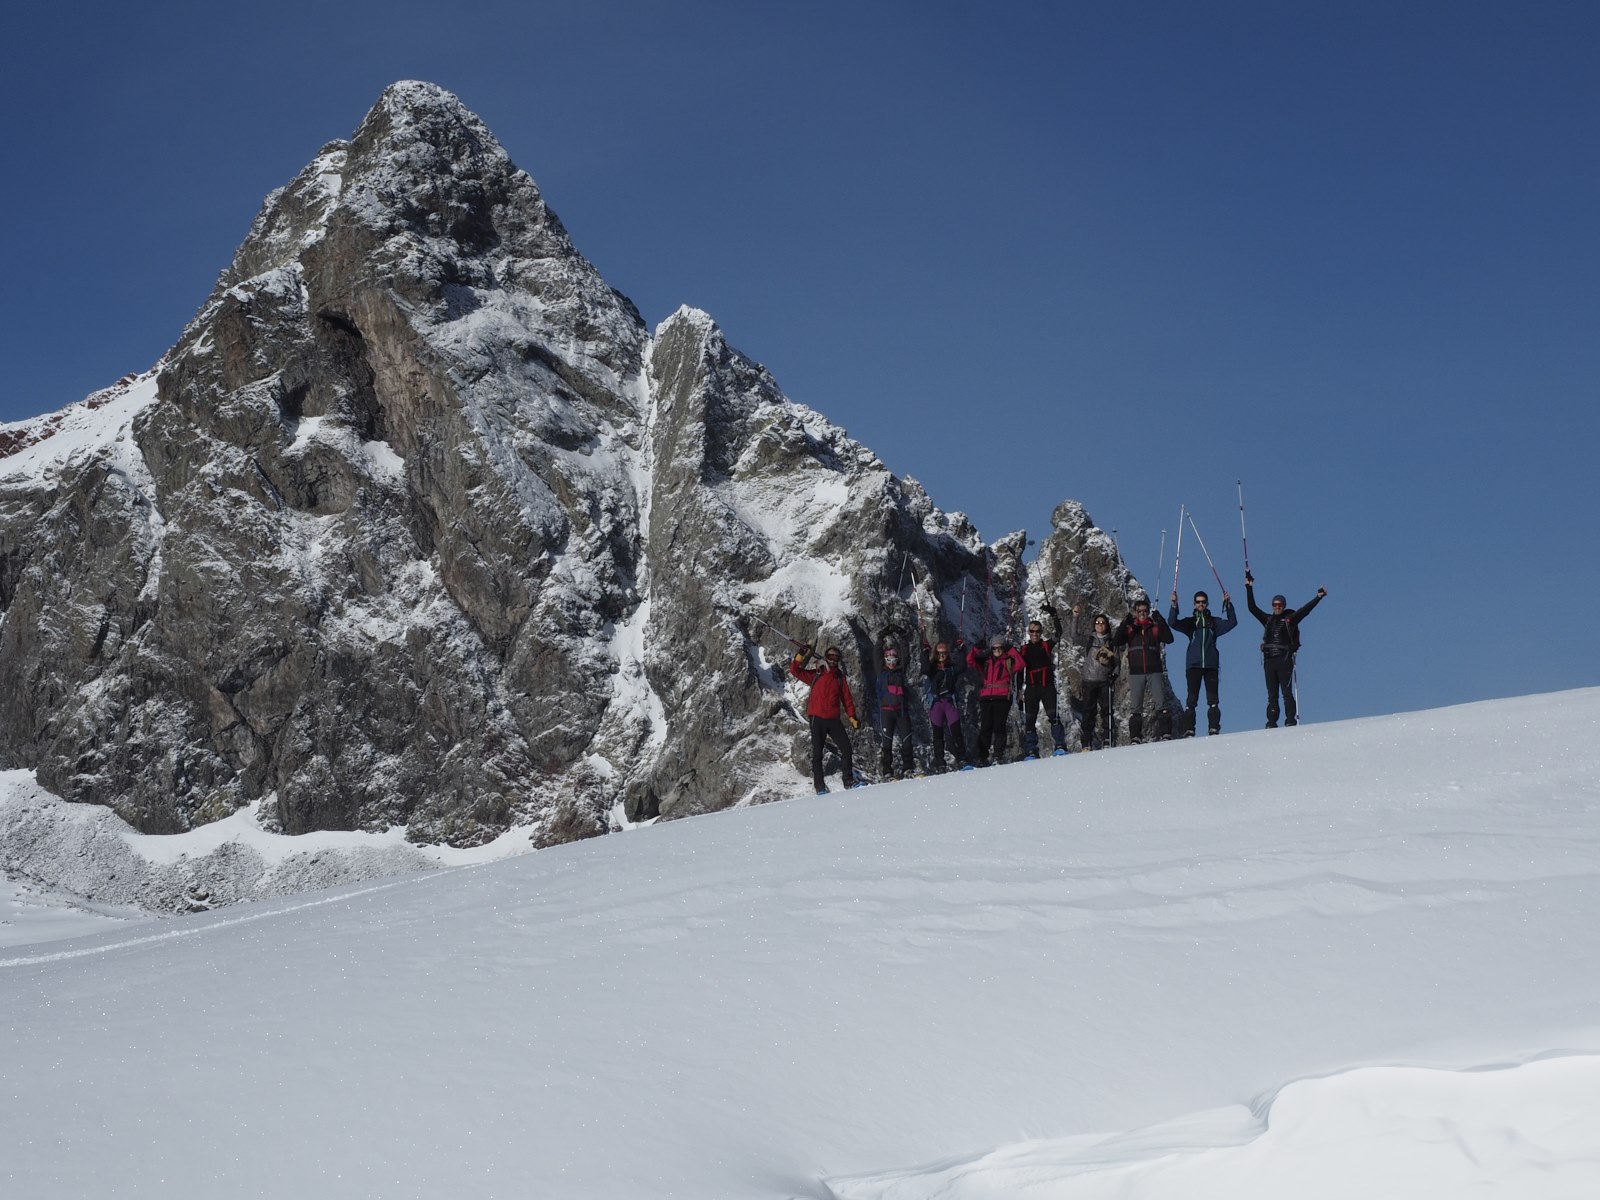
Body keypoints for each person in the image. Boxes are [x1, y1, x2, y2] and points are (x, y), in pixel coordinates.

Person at [1245, 574, 1327, 728]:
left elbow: (1305, 610)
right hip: (1269, 660)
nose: (1277, 607)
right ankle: (1271, 722)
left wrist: (1318, 597)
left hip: (1284, 659)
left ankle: (1290, 720)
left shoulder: (1290, 619)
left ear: (1283, 605)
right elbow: (1252, 608)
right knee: (1272, 695)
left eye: (1280, 605)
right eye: (1275, 605)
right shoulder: (1267, 619)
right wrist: (1249, 587)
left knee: (1286, 693)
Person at [790, 644, 860, 792]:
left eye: (836, 657)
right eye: (831, 656)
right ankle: (820, 786)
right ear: (826, 658)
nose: (833, 659)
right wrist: (800, 655)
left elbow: (846, 698)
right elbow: (794, 671)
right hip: (817, 719)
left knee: (846, 749)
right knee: (817, 754)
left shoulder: (839, 677)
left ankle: (848, 781)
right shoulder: (817, 674)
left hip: (833, 720)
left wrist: (852, 716)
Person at [1167, 589, 1238, 736]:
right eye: (1198, 602)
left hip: (1211, 665)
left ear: (1207, 604)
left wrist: (1228, 605)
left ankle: (1214, 727)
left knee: (1213, 700)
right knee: (1191, 699)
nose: (1201, 604)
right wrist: (1174, 606)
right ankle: (1189, 729)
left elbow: (1232, 622)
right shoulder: (1191, 623)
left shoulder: (1214, 622)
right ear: (1194, 604)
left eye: (1203, 602)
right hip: (1194, 665)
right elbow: (1172, 622)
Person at [1113, 596, 1174, 743]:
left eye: (1145, 611)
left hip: (1154, 670)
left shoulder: (1154, 628)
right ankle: (1135, 736)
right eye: (1139, 611)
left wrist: (1161, 621)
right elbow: (1116, 641)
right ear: (1135, 612)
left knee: (1161, 703)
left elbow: (1169, 639)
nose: (1142, 613)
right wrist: (1124, 624)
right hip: (1136, 671)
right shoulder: (1130, 630)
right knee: (1136, 707)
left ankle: (1166, 733)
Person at [1017, 604, 1069, 757]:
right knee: (1030, 720)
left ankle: (1060, 745)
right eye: (1032, 631)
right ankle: (1031, 749)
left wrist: (1054, 615)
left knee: (1054, 716)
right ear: (1028, 632)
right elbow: (1020, 671)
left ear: (1041, 632)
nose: (1034, 634)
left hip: (1047, 686)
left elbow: (1059, 633)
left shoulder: (1046, 645)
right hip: (1032, 687)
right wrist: (1020, 690)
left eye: (1037, 631)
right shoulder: (1024, 650)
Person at [966, 635, 1026, 766]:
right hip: (987, 697)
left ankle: (998, 756)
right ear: (991, 649)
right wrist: (976, 648)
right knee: (986, 728)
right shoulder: (986, 662)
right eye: (994, 648)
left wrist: (1011, 650)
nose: (997, 651)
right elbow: (970, 660)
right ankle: (983, 757)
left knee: (999, 726)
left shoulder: (1008, 661)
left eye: (1000, 648)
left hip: (1003, 697)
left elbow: (1021, 664)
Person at [920, 638, 971, 772]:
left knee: (956, 732)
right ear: (935, 654)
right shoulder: (932, 669)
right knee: (938, 735)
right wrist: (924, 652)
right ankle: (940, 763)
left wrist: (962, 649)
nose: (941, 656)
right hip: (936, 703)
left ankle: (962, 759)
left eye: (944, 653)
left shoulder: (951, 669)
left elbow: (962, 666)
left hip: (949, 702)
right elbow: (924, 668)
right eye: (939, 653)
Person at [1070, 605, 1117, 749]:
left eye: (1102, 623)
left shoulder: (1112, 642)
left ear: (1107, 625)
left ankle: (1108, 739)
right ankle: (1086, 741)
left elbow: (1118, 661)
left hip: (1104, 681)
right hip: (1089, 680)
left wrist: (1114, 674)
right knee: (1088, 712)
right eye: (1097, 623)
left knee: (1106, 711)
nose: (1100, 625)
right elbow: (1074, 635)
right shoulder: (1089, 640)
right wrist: (1075, 617)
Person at [874, 642, 917, 779]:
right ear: (884, 660)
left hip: (901, 712)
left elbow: (905, 653)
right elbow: (876, 654)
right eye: (888, 659)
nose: (891, 662)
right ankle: (887, 771)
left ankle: (908, 769)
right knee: (887, 743)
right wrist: (881, 637)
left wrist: (903, 638)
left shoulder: (901, 670)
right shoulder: (881, 671)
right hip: (886, 712)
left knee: (907, 741)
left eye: (894, 659)